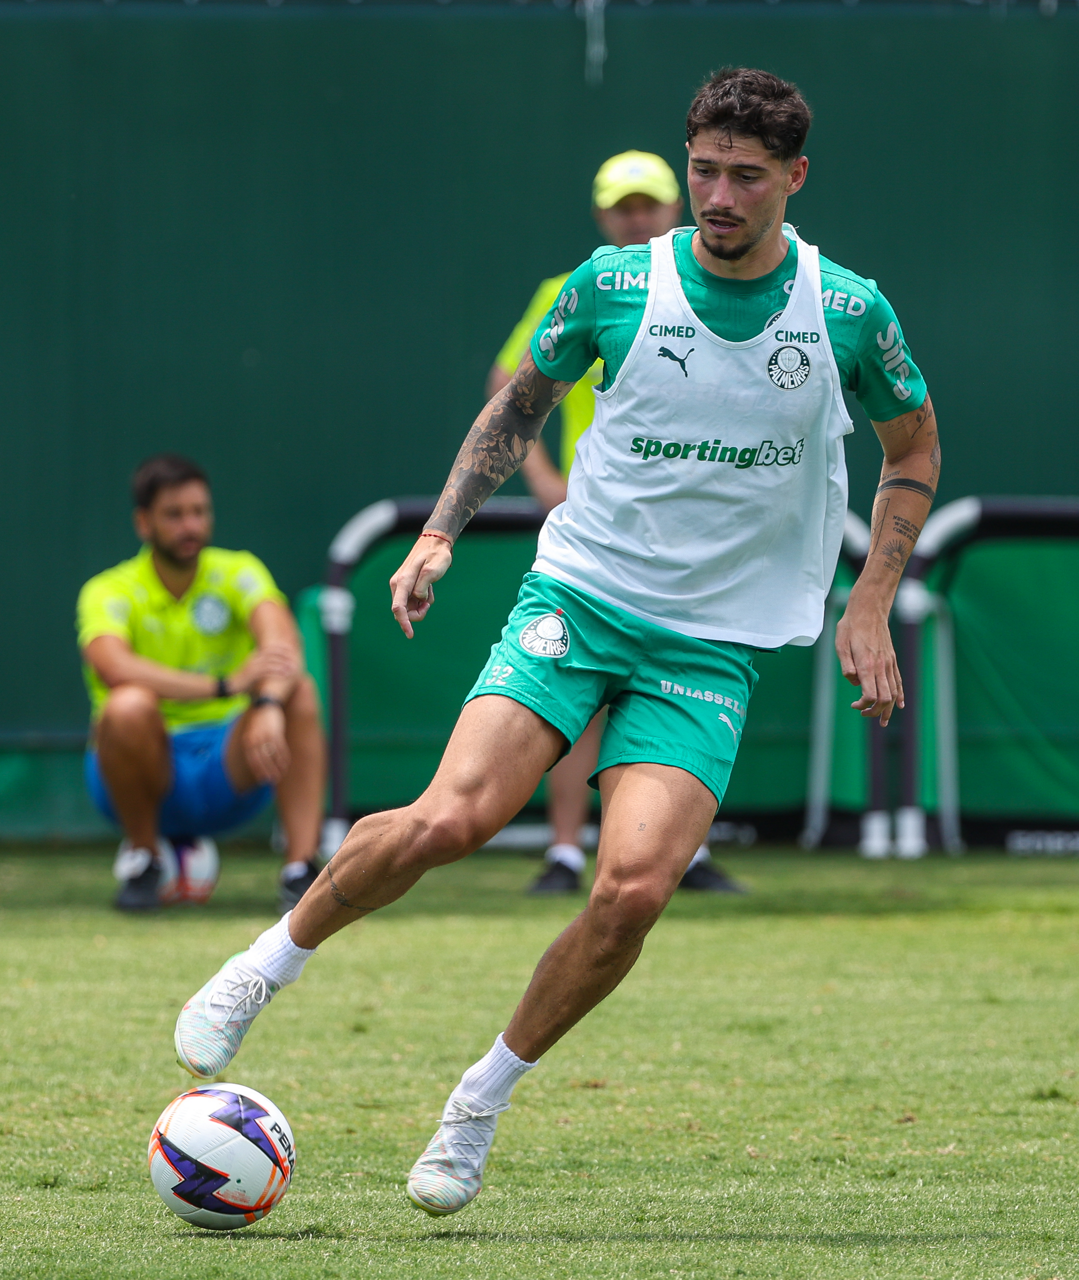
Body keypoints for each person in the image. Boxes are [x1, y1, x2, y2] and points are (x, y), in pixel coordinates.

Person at [174, 68, 939, 1222]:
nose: (717, 195)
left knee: (630, 889)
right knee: (450, 819)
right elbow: (517, 404)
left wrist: (869, 598)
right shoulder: (614, 283)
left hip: (709, 643)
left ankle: (476, 1102)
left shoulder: (846, 311)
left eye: (744, 176)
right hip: (581, 598)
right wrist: (439, 533)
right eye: (702, 170)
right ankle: (264, 963)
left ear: (793, 176)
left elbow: (912, 447)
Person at [489, 150, 741, 895]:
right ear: (603, 215)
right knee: (576, 690)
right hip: (592, 531)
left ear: (674, 207)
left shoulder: (718, 286)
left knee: (683, 684)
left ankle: (678, 851)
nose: (636, 218)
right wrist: (543, 479)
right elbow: (510, 385)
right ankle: (566, 850)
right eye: (623, 207)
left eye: (647, 204)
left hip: (688, 533)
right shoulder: (579, 286)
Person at [78, 454, 326, 913]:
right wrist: (224, 685)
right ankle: (145, 859)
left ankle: (300, 872)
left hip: (226, 765)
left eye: (199, 512)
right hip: (138, 774)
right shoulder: (107, 589)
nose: (190, 525)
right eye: (174, 514)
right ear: (143, 523)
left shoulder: (238, 570)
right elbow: (113, 667)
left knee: (301, 692)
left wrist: (268, 704)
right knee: (127, 706)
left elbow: (283, 646)